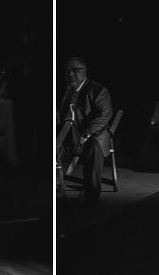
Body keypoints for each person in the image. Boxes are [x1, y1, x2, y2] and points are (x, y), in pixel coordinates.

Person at [58, 57, 113, 205]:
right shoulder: (61, 90)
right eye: (67, 71)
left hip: (92, 134)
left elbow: (104, 116)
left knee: (94, 147)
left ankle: (91, 195)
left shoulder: (99, 91)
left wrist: (85, 135)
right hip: (67, 134)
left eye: (75, 70)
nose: (71, 74)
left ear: (84, 71)